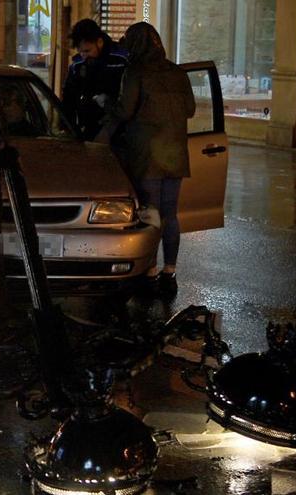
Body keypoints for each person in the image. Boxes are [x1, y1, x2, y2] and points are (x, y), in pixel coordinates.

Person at [98, 22, 195, 297]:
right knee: (170, 214)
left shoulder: (135, 71)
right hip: (175, 153)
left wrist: (105, 102)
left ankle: (150, 271)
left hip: (146, 152)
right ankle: (170, 271)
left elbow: (125, 111)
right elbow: (190, 109)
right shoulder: (178, 72)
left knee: (150, 213)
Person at [61, 19, 128, 141]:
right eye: (80, 52)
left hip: (117, 130)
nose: (84, 55)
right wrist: (67, 126)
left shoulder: (120, 59)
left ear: (100, 42)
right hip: (86, 128)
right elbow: (68, 98)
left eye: (87, 51)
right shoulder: (77, 65)